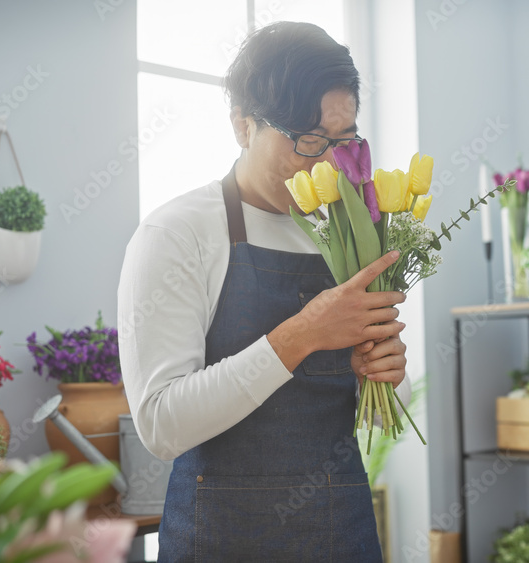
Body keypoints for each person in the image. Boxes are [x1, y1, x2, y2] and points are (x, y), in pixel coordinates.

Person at [117, 21, 411, 562]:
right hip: (219, 541)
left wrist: (386, 373)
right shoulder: (177, 234)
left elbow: (377, 414)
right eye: (308, 141)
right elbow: (160, 427)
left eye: (344, 141)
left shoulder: (350, 230)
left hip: (342, 534)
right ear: (243, 126)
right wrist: (302, 335)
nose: (329, 163)